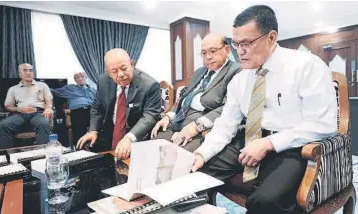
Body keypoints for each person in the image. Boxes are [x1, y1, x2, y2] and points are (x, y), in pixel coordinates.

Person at [192, 5, 337, 214]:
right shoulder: (240, 80)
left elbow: (323, 124)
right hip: (249, 140)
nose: (239, 51)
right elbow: (226, 125)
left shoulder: (307, 66)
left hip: (293, 147)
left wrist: (270, 143)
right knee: (196, 175)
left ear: (271, 37)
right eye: (236, 43)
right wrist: (202, 153)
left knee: (265, 201)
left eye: (246, 43)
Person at [151, 32, 241, 152]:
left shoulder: (236, 71)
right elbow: (184, 97)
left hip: (202, 125)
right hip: (178, 118)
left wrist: (197, 125)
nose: (208, 57)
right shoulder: (200, 71)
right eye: (204, 53)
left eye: (213, 51)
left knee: (179, 156)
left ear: (227, 49)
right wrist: (168, 116)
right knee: (154, 144)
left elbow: (230, 108)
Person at [77, 48, 161, 158]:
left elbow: (150, 116)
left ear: (131, 64)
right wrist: (93, 130)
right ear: (108, 72)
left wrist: (129, 137)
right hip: (109, 131)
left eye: (124, 68)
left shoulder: (149, 85)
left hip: (136, 134)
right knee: (84, 146)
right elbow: (97, 107)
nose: (121, 74)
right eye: (115, 71)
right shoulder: (103, 81)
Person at [0, 63, 54, 149]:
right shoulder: (13, 89)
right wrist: (18, 109)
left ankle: (41, 155)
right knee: (2, 125)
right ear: (20, 74)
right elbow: (8, 106)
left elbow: (48, 100)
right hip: (19, 114)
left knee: (43, 123)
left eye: (30, 70)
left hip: (38, 113)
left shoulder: (42, 85)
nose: (28, 72)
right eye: (25, 70)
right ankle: (6, 156)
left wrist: (48, 108)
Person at [50, 71, 96, 146]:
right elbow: (54, 91)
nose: (80, 79)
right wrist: (41, 87)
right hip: (79, 111)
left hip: (93, 111)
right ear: (75, 80)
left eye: (82, 76)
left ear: (86, 78)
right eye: (77, 78)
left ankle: (97, 145)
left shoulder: (93, 90)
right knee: (79, 125)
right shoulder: (70, 88)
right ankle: (79, 146)